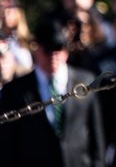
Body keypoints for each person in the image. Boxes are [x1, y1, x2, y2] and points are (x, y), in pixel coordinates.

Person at [0, 18, 106, 167]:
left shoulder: (85, 80)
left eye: (59, 48)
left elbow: (96, 134)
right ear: (37, 49)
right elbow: (8, 142)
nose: (53, 55)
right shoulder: (16, 90)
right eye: (48, 50)